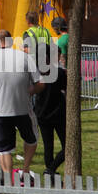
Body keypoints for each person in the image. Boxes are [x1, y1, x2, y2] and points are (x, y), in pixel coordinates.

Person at [0, 32, 45, 182]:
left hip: (1, 109)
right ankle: (26, 170)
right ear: (11, 41)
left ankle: (9, 178)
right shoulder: (25, 57)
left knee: (3, 148)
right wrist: (30, 92)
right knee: (31, 139)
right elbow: (40, 83)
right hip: (23, 108)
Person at [32, 42, 67, 176]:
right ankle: (51, 169)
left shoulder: (36, 72)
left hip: (42, 113)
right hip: (58, 113)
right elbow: (66, 88)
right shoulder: (58, 72)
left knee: (48, 146)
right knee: (67, 146)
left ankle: (50, 170)